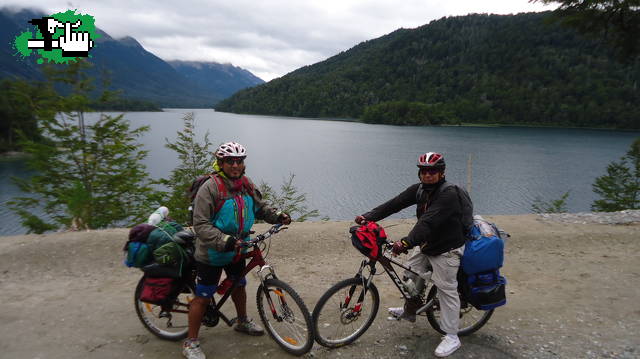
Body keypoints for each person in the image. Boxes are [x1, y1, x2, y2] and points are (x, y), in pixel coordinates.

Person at [183, 141, 292, 359]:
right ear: (220, 163)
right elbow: (201, 225)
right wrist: (225, 240)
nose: (235, 165)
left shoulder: (246, 184)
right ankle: (190, 342)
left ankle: (242, 321)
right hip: (211, 253)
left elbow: (260, 207)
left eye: (239, 161)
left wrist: (277, 216)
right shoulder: (210, 188)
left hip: (238, 248)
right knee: (204, 297)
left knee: (238, 286)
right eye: (230, 161)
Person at [354, 152, 466, 357]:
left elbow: (428, 222)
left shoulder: (448, 194)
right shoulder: (419, 190)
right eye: (424, 171)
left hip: (447, 248)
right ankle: (411, 310)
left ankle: (452, 336)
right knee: (409, 275)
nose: (428, 175)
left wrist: (406, 242)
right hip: (427, 244)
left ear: (442, 173)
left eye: (433, 171)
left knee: (446, 289)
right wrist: (367, 216)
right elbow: (394, 204)